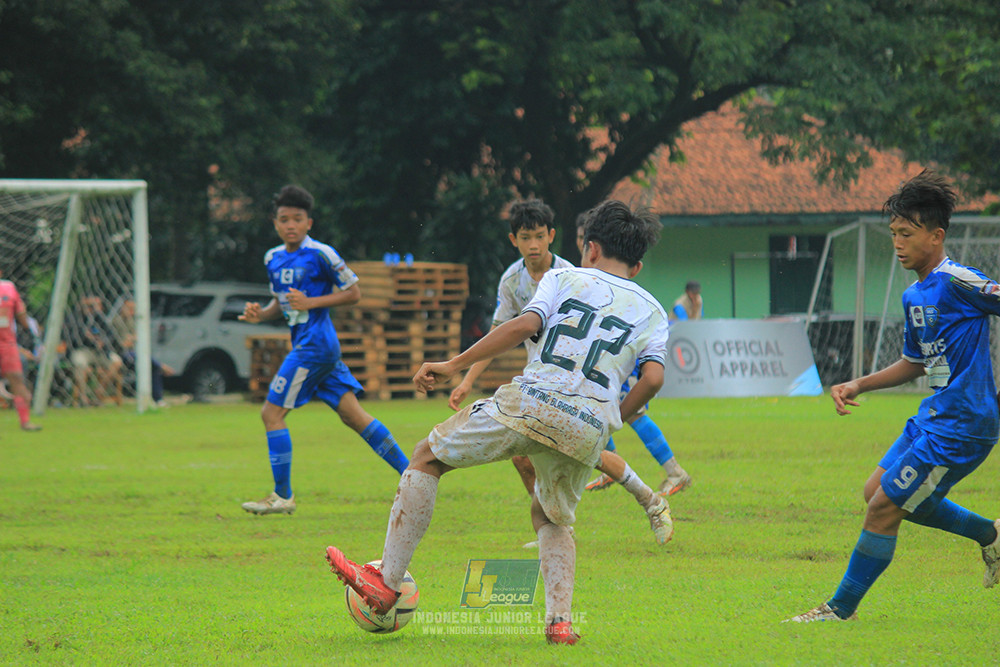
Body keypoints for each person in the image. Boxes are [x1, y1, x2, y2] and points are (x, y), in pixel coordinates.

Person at [326, 199, 671, 645]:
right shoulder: (655, 312)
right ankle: (560, 623)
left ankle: (386, 583)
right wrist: (610, 421)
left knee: (427, 457)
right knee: (550, 516)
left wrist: (454, 364)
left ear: (590, 248)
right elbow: (654, 377)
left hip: (532, 401)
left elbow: (523, 324)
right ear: (638, 265)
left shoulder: (563, 277)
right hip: (587, 427)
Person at [787, 170, 1000, 623]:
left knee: (886, 506)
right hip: (934, 415)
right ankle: (990, 534)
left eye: (907, 233)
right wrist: (858, 383)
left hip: (965, 422)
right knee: (875, 492)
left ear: (936, 235)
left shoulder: (958, 280)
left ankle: (839, 610)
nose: (897, 243)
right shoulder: (914, 295)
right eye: (893, 234)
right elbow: (917, 363)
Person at [448, 200, 670, 549]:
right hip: (540, 383)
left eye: (540, 236)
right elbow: (502, 330)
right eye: (526, 237)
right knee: (531, 455)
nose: (533, 244)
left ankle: (649, 501)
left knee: (582, 453)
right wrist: (466, 380)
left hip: (580, 385)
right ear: (514, 240)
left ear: (553, 236)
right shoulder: (512, 282)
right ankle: (556, 525)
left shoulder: (570, 274)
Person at [238, 185, 409, 516]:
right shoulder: (272, 258)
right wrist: (262, 313)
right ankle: (413, 476)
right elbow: (281, 303)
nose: (291, 225)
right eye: (284, 219)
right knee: (354, 416)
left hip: (315, 345)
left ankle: (282, 496)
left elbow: (354, 292)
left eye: (297, 219)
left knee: (271, 413)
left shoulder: (322, 254)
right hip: (313, 347)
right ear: (275, 223)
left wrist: (313, 301)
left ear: (308, 223)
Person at [576, 212, 693, 497]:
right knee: (599, 409)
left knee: (631, 413)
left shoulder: (598, 280)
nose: (583, 246)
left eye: (583, 240)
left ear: (593, 247)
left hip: (618, 361)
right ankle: (610, 471)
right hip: (606, 361)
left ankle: (674, 472)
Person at [110, 298, 174, 407]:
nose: (132, 311)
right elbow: (121, 344)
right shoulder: (116, 322)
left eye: (133, 309)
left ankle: (158, 399)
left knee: (153, 368)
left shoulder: (134, 322)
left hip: (134, 355)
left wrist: (132, 339)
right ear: (122, 308)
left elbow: (135, 340)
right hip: (119, 355)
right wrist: (132, 340)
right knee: (137, 356)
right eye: (129, 308)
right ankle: (162, 366)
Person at [0, 269, 42, 431]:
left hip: (7, 343)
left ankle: (25, 421)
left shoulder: (9, 287)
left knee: (17, 379)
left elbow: (21, 315)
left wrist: (31, 332)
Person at [64, 294, 123, 407]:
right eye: (89, 306)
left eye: (95, 306)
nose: (91, 308)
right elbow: (70, 340)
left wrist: (103, 341)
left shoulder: (100, 318)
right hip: (81, 350)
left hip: (99, 352)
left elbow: (111, 335)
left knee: (116, 361)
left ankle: (99, 391)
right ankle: (83, 397)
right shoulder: (73, 318)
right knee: (81, 364)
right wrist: (86, 337)